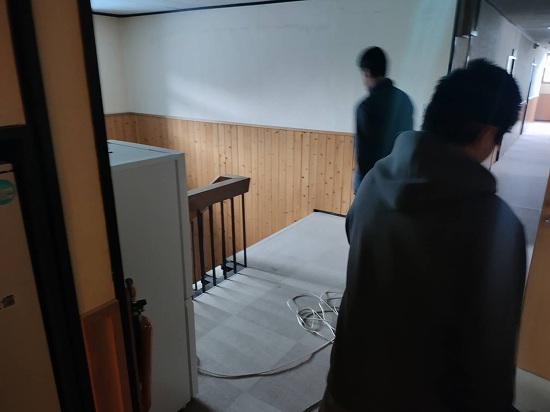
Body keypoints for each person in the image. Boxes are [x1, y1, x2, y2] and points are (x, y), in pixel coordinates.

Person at [320, 59, 526, 411]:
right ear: (488, 132)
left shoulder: (372, 184)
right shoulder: (497, 225)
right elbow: (491, 355)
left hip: (346, 387)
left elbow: (356, 238)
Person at [352, 46, 413, 194]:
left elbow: (364, 156)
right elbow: (408, 142)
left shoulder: (366, 107)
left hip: (372, 180)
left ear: (367, 72)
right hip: (399, 178)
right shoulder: (404, 100)